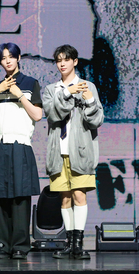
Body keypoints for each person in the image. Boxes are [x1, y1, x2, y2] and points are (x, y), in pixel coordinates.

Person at [43, 44, 104, 260]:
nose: (62, 64)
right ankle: (69, 244)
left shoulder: (89, 86)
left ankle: (79, 245)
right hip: (58, 152)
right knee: (65, 199)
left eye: (66, 59)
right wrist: (67, 93)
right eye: (59, 60)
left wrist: (88, 99)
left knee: (79, 195)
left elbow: (96, 120)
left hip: (80, 151)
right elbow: (52, 115)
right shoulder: (52, 89)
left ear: (75, 62)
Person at [0, 42, 43, 260]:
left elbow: (37, 115)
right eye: (3, 58)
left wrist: (19, 94)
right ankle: (3, 244)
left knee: (20, 197)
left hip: (20, 144)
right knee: (2, 197)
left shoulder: (30, 83)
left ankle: (20, 245)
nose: (7, 61)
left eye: (11, 56)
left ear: (19, 58)